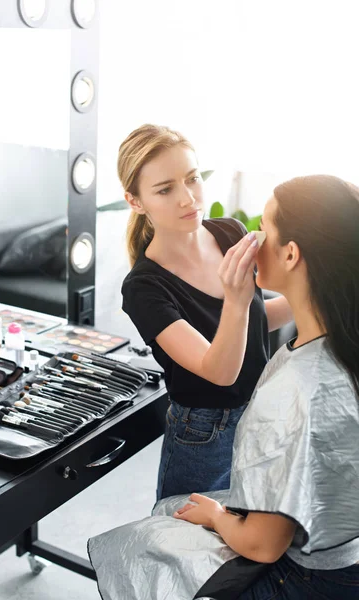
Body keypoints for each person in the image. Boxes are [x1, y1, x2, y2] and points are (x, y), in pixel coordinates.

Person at [87, 175, 359, 600]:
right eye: (164, 188)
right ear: (136, 201)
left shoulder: (294, 387)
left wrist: (217, 516)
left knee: (144, 546)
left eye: (264, 230)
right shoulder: (336, 347)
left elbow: (264, 544)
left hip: (310, 579)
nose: (252, 237)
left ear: (291, 254)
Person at [119, 124, 292, 500]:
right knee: (184, 541)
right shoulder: (144, 288)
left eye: (193, 179)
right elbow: (220, 371)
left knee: (246, 533)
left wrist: (317, 291)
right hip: (204, 432)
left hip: (258, 411)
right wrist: (235, 297)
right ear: (135, 201)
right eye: (165, 189)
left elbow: (258, 319)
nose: (188, 198)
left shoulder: (229, 232)